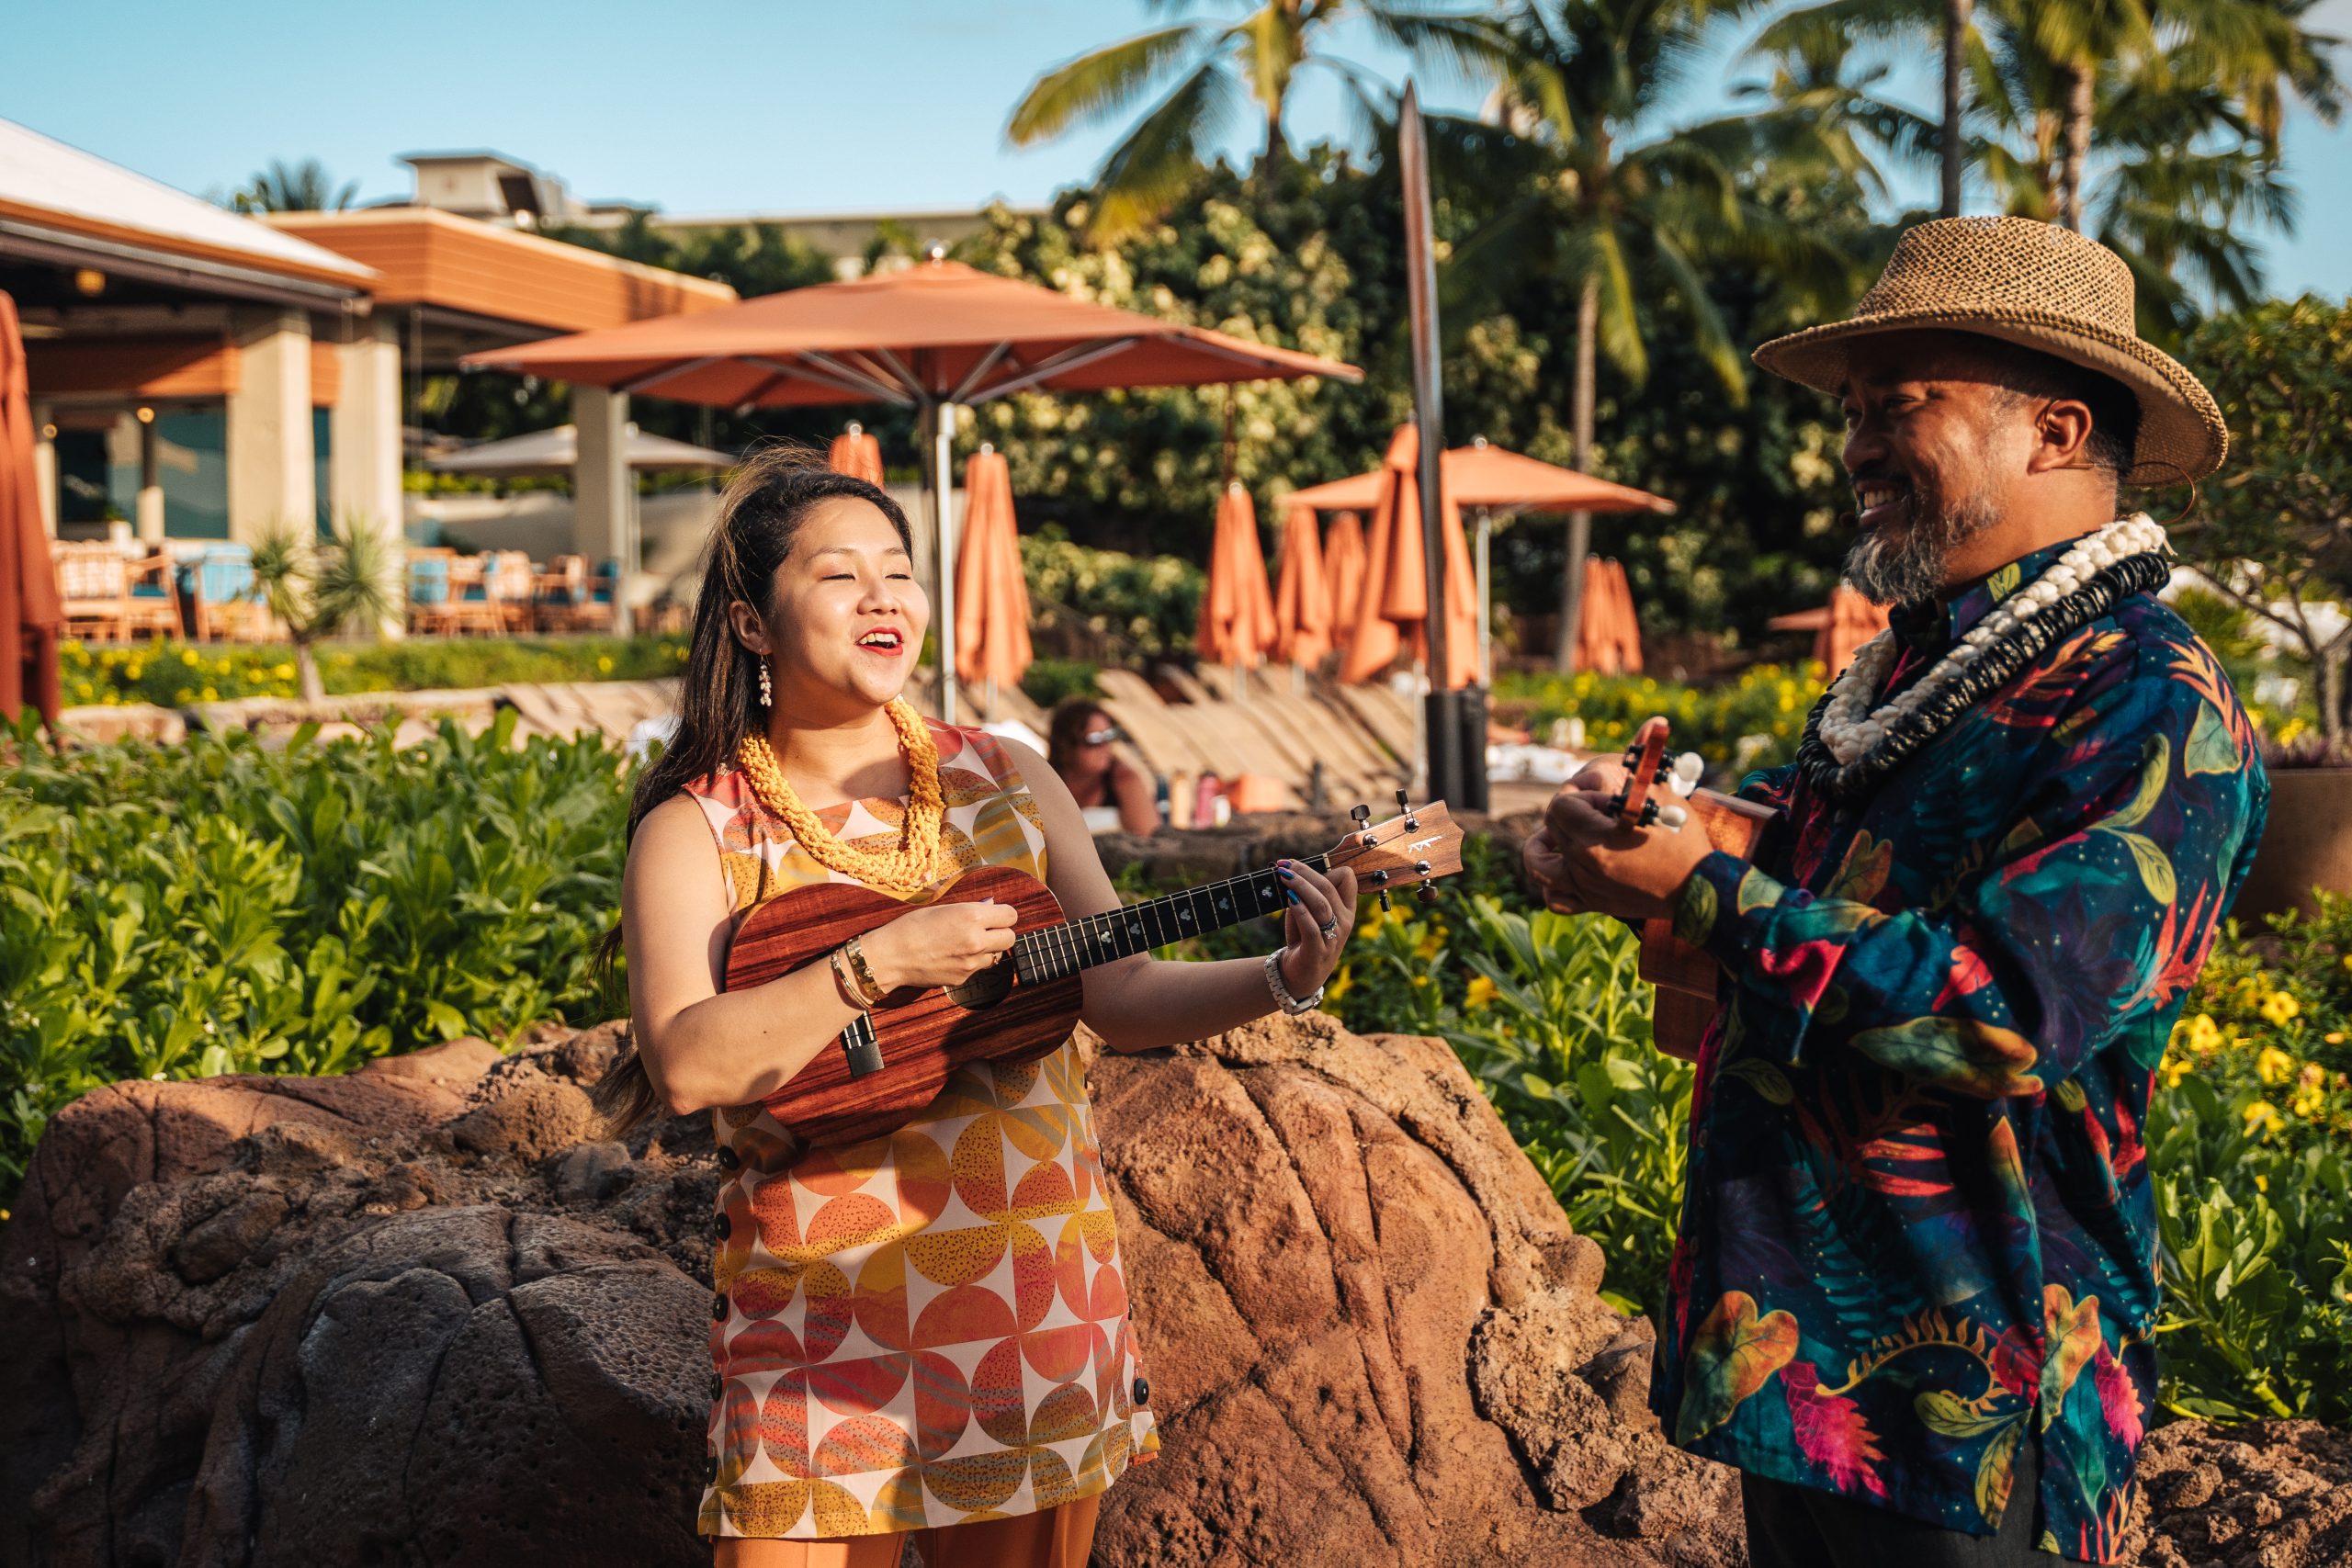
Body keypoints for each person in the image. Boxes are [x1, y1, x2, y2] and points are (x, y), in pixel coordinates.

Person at [1524, 218, 2267, 1567]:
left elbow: (2002, 1016)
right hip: (1805, 1380)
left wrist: (1699, 891)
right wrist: (1618, 844)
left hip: (1973, 1402)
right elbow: (1784, 862)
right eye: (1853, 410)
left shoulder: (2150, 695)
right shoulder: (1915, 671)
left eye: (1901, 403)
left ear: (2053, 430)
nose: (1856, 444)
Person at [601, 448, 1357, 1568]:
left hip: (1030, 1303)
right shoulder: (700, 828)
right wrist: (879, 962)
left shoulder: (1008, 779)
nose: (882, 599)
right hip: (820, 1320)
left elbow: (1124, 996)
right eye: (838, 575)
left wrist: (1279, 978)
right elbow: (688, 1066)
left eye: (899, 574)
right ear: (754, 625)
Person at [1045, 699, 1159, 835]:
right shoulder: (1044, 784)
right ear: (1066, 745)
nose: (1105, 747)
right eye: (1095, 739)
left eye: (1109, 736)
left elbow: (1149, 838)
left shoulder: (1123, 780)